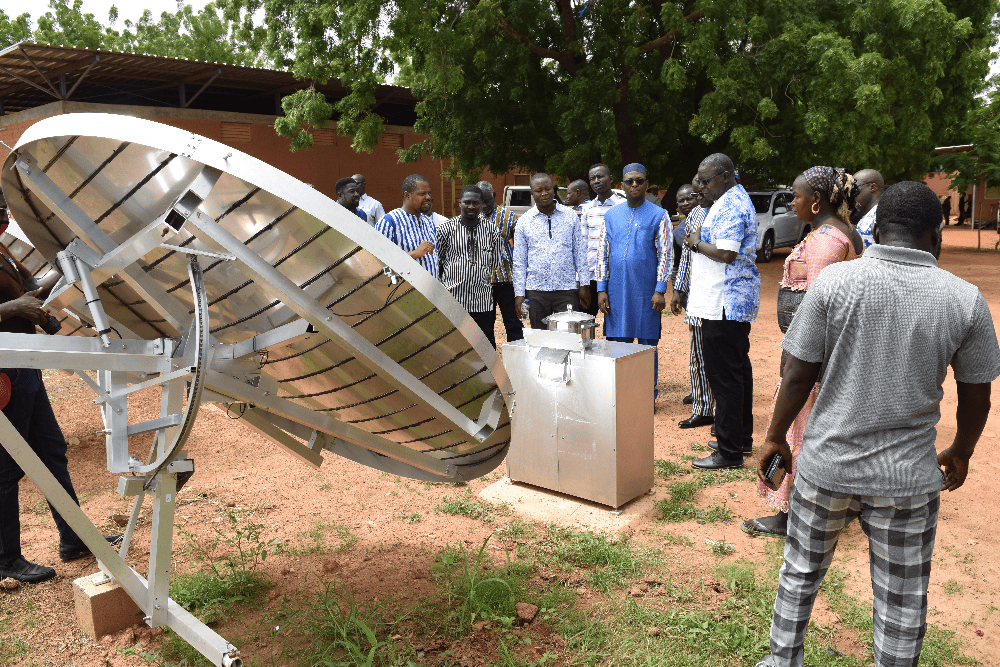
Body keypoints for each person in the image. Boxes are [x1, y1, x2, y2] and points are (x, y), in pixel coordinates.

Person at [753, 181, 999, 667]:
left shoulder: (834, 283)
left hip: (827, 467)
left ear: (879, 229)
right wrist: (961, 451)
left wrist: (775, 436)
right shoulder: (965, 300)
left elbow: (798, 372)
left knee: (800, 572)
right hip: (906, 479)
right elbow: (978, 396)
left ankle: (782, 661)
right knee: (902, 601)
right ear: (936, 234)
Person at [741, 167, 863, 539]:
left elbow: (819, 310)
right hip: (826, 354)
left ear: (816, 201)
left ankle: (791, 514)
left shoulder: (827, 243)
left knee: (799, 430)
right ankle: (834, 505)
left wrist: (797, 364)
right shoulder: (838, 234)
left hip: (813, 357)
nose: (792, 202)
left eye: (795, 196)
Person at [0, 208, 120, 583]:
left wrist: (68, 260)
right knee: (6, 466)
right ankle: (6, 559)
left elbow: (34, 285)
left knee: (51, 450)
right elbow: (19, 301)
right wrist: (13, 308)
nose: (4, 216)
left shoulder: (4, 252)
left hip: (25, 364)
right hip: (3, 371)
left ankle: (75, 539)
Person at [677, 154, 760, 470]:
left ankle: (729, 452)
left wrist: (696, 242)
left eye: (706, 179)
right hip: (727, 302)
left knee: (725, 377)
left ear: (725, 176)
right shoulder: (731, 199)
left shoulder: (730, 205)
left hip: (723, 304)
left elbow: (726, 252)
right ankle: (739, 439)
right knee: (737, 373)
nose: (701, 185)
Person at [595, 164, 671, 399]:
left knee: (647, 344)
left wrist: (660, 289)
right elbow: (601, 253)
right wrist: (601, 289)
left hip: (646, 291)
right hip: (616, 290)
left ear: (647, 184)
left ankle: (648, 394)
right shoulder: (610, 215)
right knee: (618, 343)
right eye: (630, 181)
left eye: (639, 181)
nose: (635, 185)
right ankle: (622, 394)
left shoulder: (659, 214)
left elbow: (666, 254)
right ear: (622, 186)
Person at [512, 173, 590, 329]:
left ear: (553, 190)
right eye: (538, 190)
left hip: (567, 289)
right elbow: (519, 261)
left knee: (569, 338)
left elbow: (580, 253)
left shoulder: (570, 216)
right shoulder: (523, 222)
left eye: (547, 189)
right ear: (532, 193)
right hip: (536, 291)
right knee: (541, 339)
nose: (544, 193)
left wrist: (584, 285)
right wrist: (519, 294)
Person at [671, 178, 716, 429]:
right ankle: (702, 405)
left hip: (718, 296)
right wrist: (679, 289)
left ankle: (711, 402)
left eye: (698, 192)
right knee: (697, 352)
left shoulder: (722, 212)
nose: (696, 196)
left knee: (717, 354)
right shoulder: (698, 214)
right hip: (697, 295)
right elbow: (687, 256)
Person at [437, 185, 501, 348]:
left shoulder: (492, 231)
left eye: (476, 203)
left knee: (485, 346)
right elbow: (439, 262)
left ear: (481, 204)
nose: (471, 206)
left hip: (483, 301)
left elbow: (495, 263)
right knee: (454, 344)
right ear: (459, 203)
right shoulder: (445, 229)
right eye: (467, 202)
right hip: (454, 301)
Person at [476, 181, 523, 343]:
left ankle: (515, 362)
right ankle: (490, 365)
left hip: (506, 282)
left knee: (513, 323)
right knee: (485, 326)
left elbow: (521, 249)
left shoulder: (510, 217)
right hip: (481, 284)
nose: (483, 205)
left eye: (487, 201)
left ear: (495, 196)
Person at [579, 164, 626, 317]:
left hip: (615, 276)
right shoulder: (588, 209)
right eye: (592, 178)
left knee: (616, 323)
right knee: (585, 324)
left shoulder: (624, 206)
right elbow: (583, 245)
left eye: (600, 176)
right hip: (592, 276)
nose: (596, 181)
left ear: (611, 178)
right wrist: (582, 281)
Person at [375, 175, 437, 275]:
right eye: (422, 194)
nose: (428, 197)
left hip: (432, 289)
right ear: (407, 195)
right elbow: (379, 268)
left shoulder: (428, 222)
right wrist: (415, 253)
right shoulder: (389, 222)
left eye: (429, 193)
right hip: (404, 290)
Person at [852, 169, 884, 250]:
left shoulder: (878, 216)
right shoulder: (871, 214)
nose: (852, 194)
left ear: (873, 187)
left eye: (855, 188)